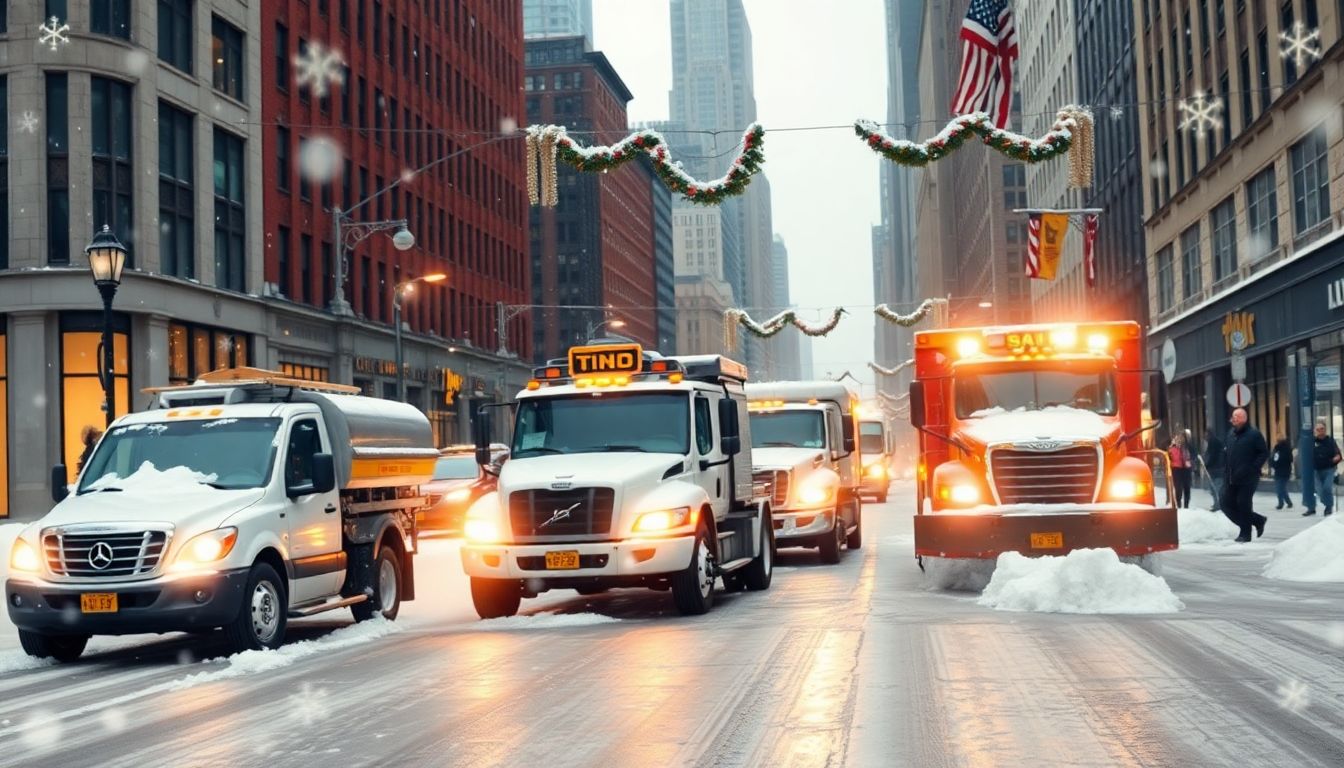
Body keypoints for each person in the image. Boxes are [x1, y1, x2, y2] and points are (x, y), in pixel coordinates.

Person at [1223, 408, 1268, 543]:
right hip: (1231, 476)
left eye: (1237, 416)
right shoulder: (1230, 434)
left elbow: (1263, 453)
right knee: (1226, 504)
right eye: (1233, 416)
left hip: (1248, 477)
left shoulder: (1254, 434)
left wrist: (1253, 468)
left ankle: (1245, 534)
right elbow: (1226, 453)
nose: (1234, 418)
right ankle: (1258, 520)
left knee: (1243, 504)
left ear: (1244, 418)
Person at [1301, 420, 1342, 517]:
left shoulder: (1330, 441)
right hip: (1315, 470)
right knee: (1319, 489)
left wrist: (1334, 460)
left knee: (1327, 488)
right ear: (1315, 430)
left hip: (1329, 469)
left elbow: (1338, 456)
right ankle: (1323, 504)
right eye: (1318, 429)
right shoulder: (1312, 441)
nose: (1320, 431)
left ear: (1325, 430)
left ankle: (1328, 507)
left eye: (1322, 429)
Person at [1168, 433, 1193, 509]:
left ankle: (1186, 505)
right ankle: (1178, 504)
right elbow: (1169, 457)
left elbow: (1194, 454)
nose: (1180, 440)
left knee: (1187, 487)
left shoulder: (1188, 447)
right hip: (1176, 469)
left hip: (1186, 469)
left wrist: (1191, 461)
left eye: (1182, 438)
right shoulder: (1172, 448)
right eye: (1178, 438)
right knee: (1178, 488)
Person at [1203, 427, 1226, 510]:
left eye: (1205, 434)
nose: (1204, 436)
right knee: (1216, 487)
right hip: (1218, 468)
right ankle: (1218, 504)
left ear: (1209, 434)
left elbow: (1212, 456)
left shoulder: (1212, 442)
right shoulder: (1215, 441)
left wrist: (1207, 465)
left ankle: (1218, 504)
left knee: (1215, 488)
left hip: (1215, 469)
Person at [1271, 436, 1294, 510]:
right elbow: (1272, 458)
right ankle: (1288, 502)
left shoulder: (1286, 450)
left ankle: (1281, 503)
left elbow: (1289, 460)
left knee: (1279, 488)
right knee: (1282, 488)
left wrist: (1274, 463)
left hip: (1284, 471)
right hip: (1279, 471)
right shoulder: (1276, 449)